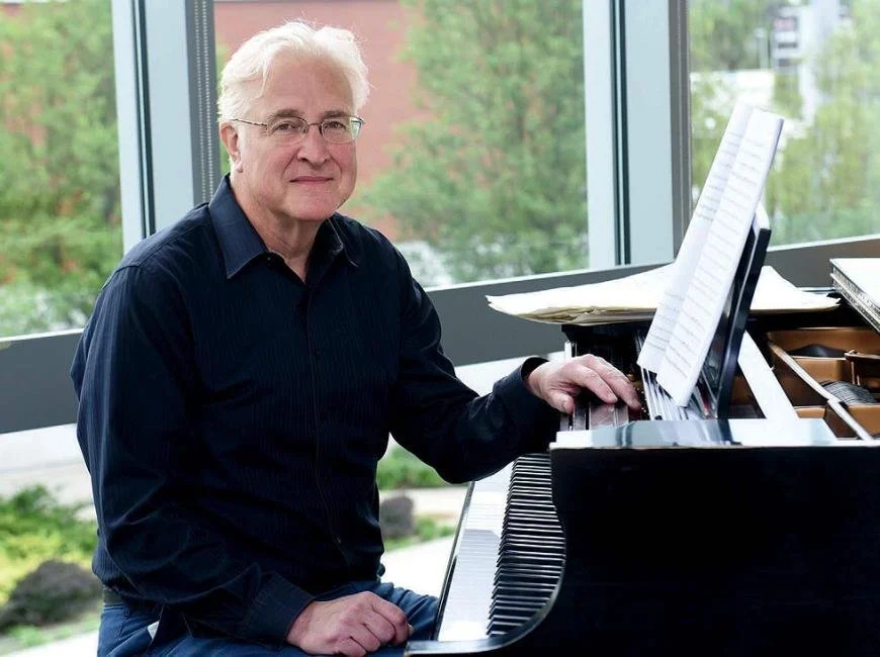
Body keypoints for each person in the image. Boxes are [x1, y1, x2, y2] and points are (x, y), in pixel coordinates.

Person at [71, 20, 640, 657]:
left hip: (344, 596)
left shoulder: (373, 267)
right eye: (286, 125)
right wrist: (296, 617)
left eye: (335, 123)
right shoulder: (153, 289)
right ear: (234, 140)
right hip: (189, 620)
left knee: (556, 643)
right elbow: (137, 527)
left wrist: (535, 388)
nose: (316, 150)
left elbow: (451, 437)